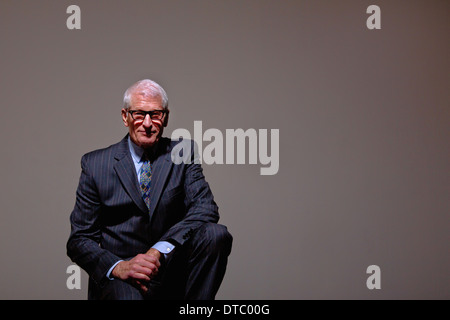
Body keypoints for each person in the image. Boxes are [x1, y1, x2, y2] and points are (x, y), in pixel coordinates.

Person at [67, 79, 232, 300]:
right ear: (125, 116)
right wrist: (120, 267)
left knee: (215, 234)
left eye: (155, 114)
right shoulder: (95, 164)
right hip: (123, 280)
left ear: (166, 118)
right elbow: (79, 240)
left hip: (171, 271)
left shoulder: (182, 153)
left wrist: (158, 251)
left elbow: (205, 209)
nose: (147, 123)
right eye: (139, 114)